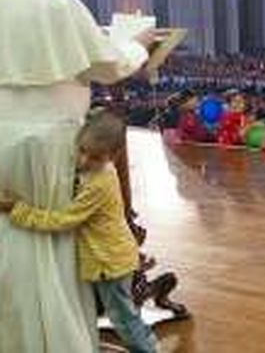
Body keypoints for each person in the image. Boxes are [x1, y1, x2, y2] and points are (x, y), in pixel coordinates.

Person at [0, 0, 156, 352]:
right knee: (49, 243)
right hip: (46, 141)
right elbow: (110, 65)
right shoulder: (58, 3)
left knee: (8, 234)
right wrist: (139, 42)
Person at [0, 111, 158, 353]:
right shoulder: (97, 172)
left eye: (94, 157)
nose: (84, 161)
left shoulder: (99, 183)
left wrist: (18, 210)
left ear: (112, 156)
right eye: (81, 150)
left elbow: (65, 220)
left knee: (125, 321)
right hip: (111, 258)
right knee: (123, 315)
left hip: (110, 264)